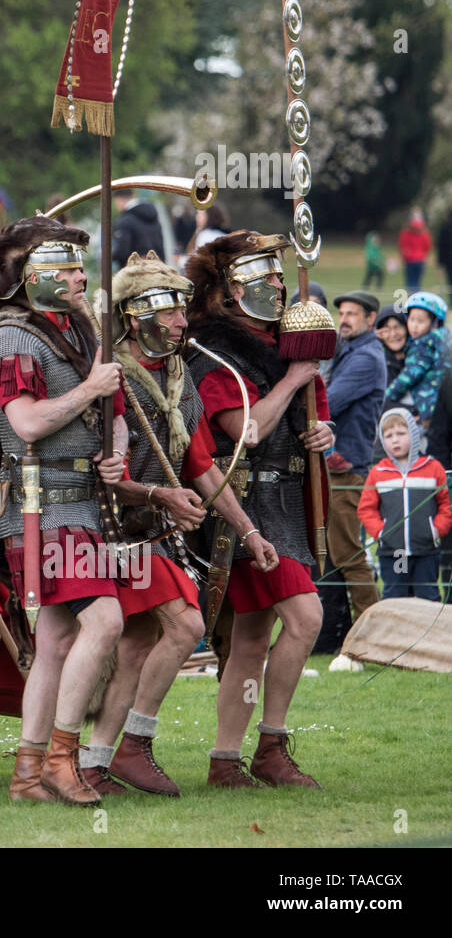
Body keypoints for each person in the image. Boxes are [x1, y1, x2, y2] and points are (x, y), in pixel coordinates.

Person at [0, 216, 129, 806]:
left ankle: (28, 774)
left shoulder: (80, 333)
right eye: (68, 268)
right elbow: (28, 423)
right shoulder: (11, 337)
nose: (82, 276)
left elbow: (116, 421)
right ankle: (62, 760)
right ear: (36, 278)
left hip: (85, 502)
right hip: (41, 511)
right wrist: (89, 390)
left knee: (57, 641)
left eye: (82, 266)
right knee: (105, 621)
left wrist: (116, 457)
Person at [87, 254, 275, 797]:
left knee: (138, 644)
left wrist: (248, 531)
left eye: (181, 312)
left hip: (152, 530)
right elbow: (105, 477)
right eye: (168, 313)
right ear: (135, 316)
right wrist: (160, 495)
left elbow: (201, 464)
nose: (181, 322)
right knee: (186, 627)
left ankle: (97, 762)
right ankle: (133, 745)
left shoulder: (176, 375)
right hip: (110, 530)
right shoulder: (110, 379)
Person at [183, 232, 331, 789]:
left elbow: (304, 416)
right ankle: (272, 746)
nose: (276, 285)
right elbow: (245, 431)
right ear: (228, 289)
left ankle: (226, 762)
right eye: (263, 278)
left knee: (250, 637)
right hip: (241, 504)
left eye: (277, 276)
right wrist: (295, 379)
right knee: (307, 617)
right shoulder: (212, 352)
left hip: (285, 498)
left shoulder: (277, 343)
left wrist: (321, 429)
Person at [322, 291, 385, 624]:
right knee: (337, 554)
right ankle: (343, 630)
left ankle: (373, 631)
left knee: (349, 553)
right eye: (341, 313)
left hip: (347, 468)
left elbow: (328, 403)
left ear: (371, 319)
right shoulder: (350, 351)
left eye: (352, 314)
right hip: (337, 466)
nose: (343, 319)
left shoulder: (366, 358)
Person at [359, 408, 451, 602]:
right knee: (396, 599)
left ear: (414, 434)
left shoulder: (433, 468)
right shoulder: (378, 472)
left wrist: (436, 529)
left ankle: (429, 633)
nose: (395, 440)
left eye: (401, 434)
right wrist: (382, 533)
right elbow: (366, 509)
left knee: (427, 598)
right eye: (388, 435)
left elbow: (445, 505)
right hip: (395, 553)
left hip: (425, 551)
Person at [384, 292, 448, 426]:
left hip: (429, 405)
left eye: (420, 321)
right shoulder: (443, 340)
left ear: (435, 324)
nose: (414, 325)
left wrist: (389, 395)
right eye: (411, 320)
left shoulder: (423, 345)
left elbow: (410, 375)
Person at [110, 189, 166, 271]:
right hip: (158, 269)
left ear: (118, 200)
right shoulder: (154, 217)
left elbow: (122, 252)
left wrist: (110, 254)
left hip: (136, 273)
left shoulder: (125, 221)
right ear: (134, 196)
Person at [398, 209, 432, 291]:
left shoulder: (406, 233)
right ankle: (415, 298)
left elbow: (402, 245)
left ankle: (412, 298)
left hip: (411, 260)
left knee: (411, 282)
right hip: (419, 259)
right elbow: (427, 246)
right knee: (416, 283)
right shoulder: (424, 233)